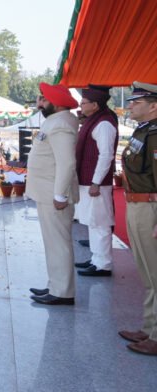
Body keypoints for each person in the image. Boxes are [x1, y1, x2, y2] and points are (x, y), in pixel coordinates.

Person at [27, 82, 80, 306]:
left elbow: (66, 163)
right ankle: (55, 284)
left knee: (58, 242)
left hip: (54, 194)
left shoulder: (60, 125)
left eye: (45, 100)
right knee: (52, 242)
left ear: (57, 105)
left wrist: (60, 196)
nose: (41, 103)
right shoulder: (55, 121)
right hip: (47, 192)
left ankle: (62, 291)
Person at [119, 81, 157, 355]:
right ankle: (149, 326)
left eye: (137, 102)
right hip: (137, 204)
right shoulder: (144, 131)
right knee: (147, 272)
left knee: (156, 273)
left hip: (151, 208)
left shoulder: (155, 135)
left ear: (154, 107)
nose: (130, 105)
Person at [74, 85, 119, 277]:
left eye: (84, 103)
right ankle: (96, 259)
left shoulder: (104, 124)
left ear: (95, 104)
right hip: (89, 180)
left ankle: (103, 264)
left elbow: (106, 155)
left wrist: (96, 182)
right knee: (92, 222)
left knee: (100, 223)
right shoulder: (95, 120)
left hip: (96, 183)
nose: (80, 106)